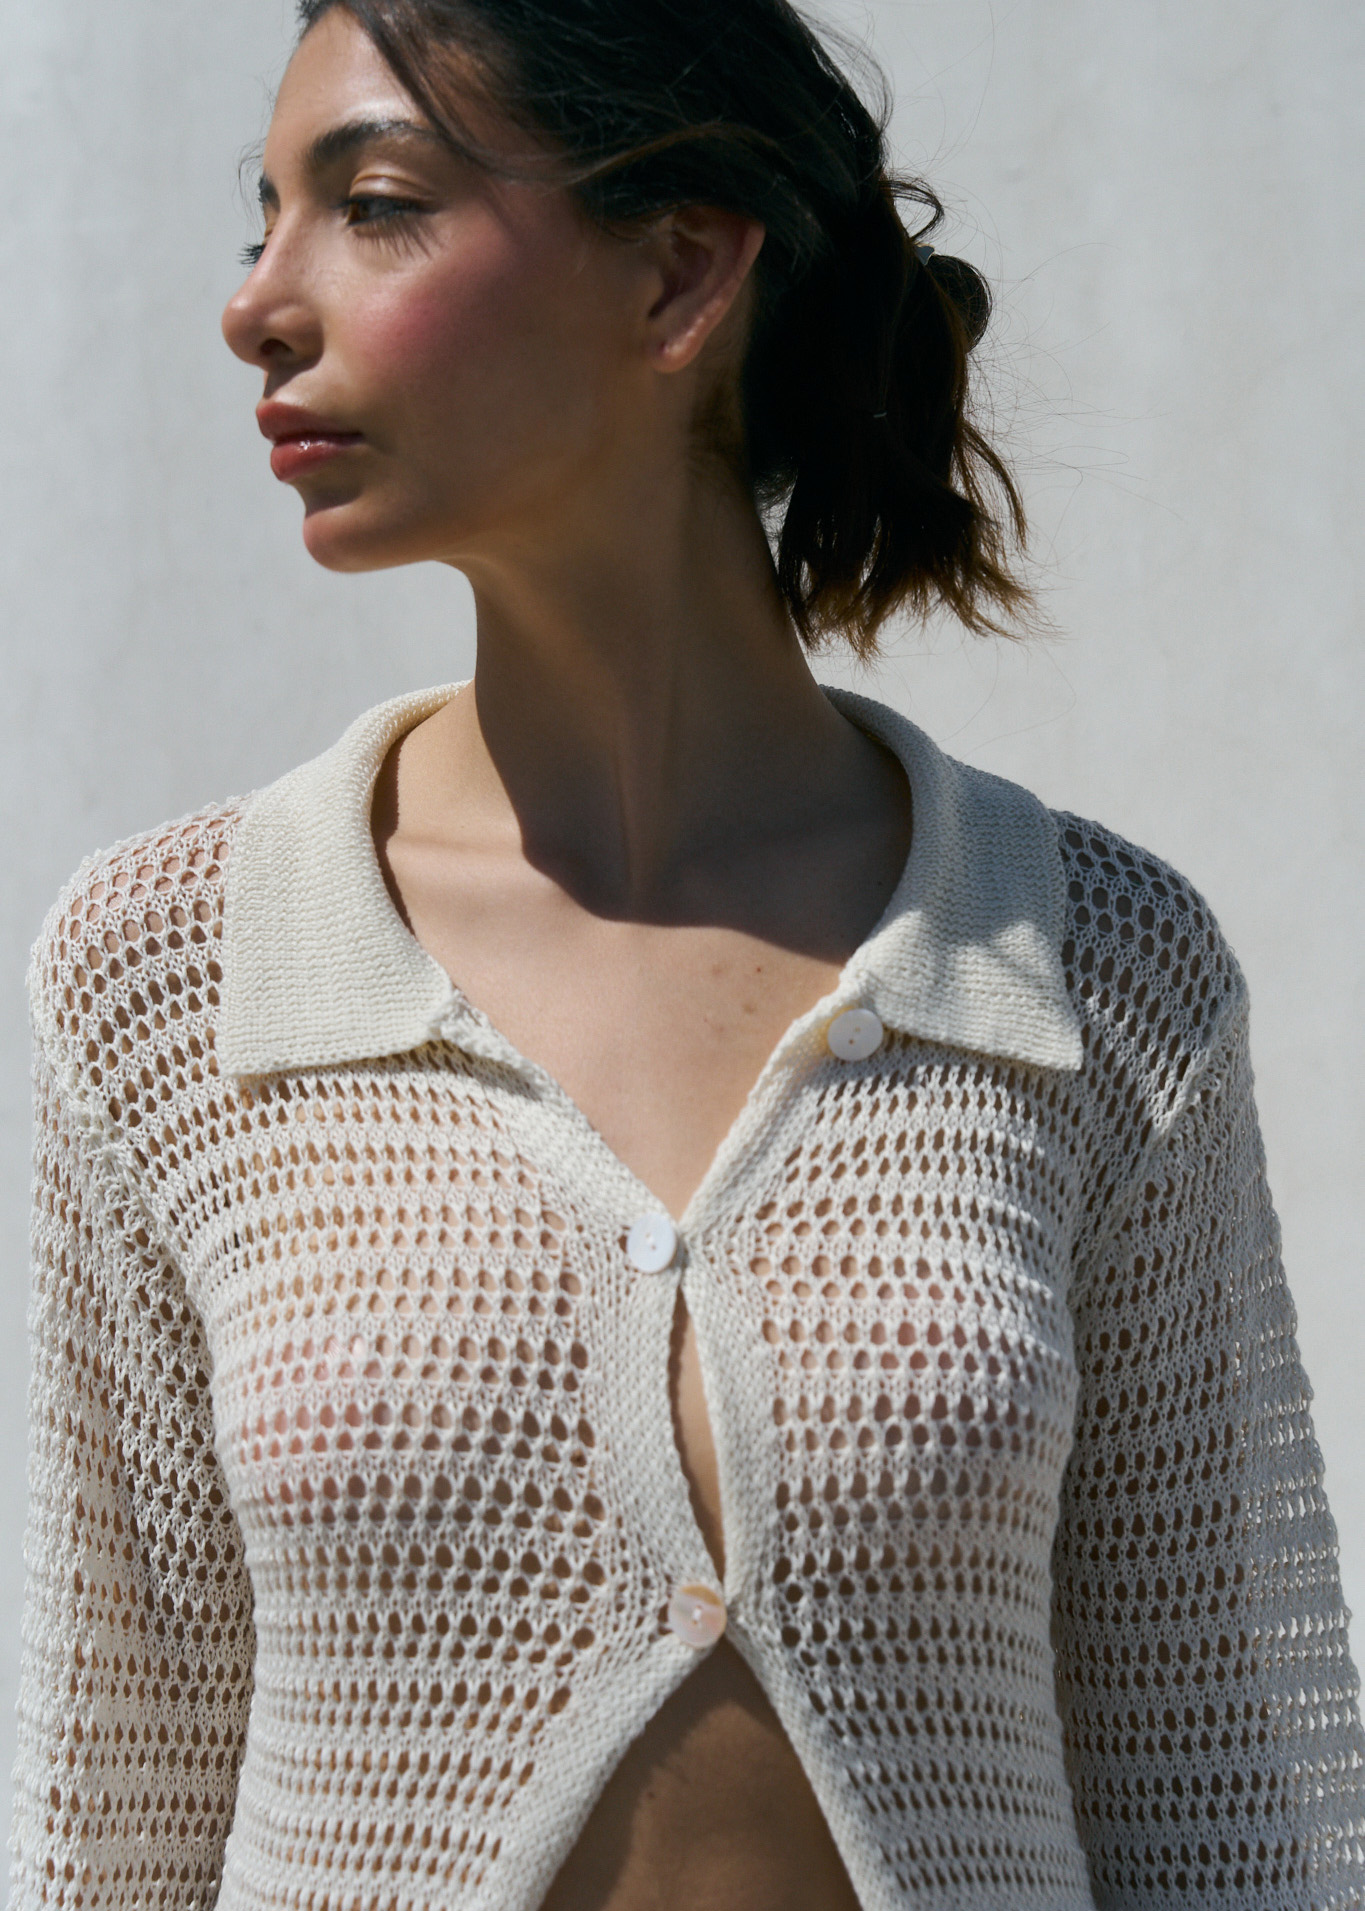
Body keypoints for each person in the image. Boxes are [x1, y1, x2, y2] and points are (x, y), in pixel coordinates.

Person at [10, 0, 1365, 1907]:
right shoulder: (177, 971)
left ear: (676, 275)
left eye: (374, 205)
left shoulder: (1084, 966)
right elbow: (114, 1812)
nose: (258, 305)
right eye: (264, 217)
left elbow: (1230, 1803)